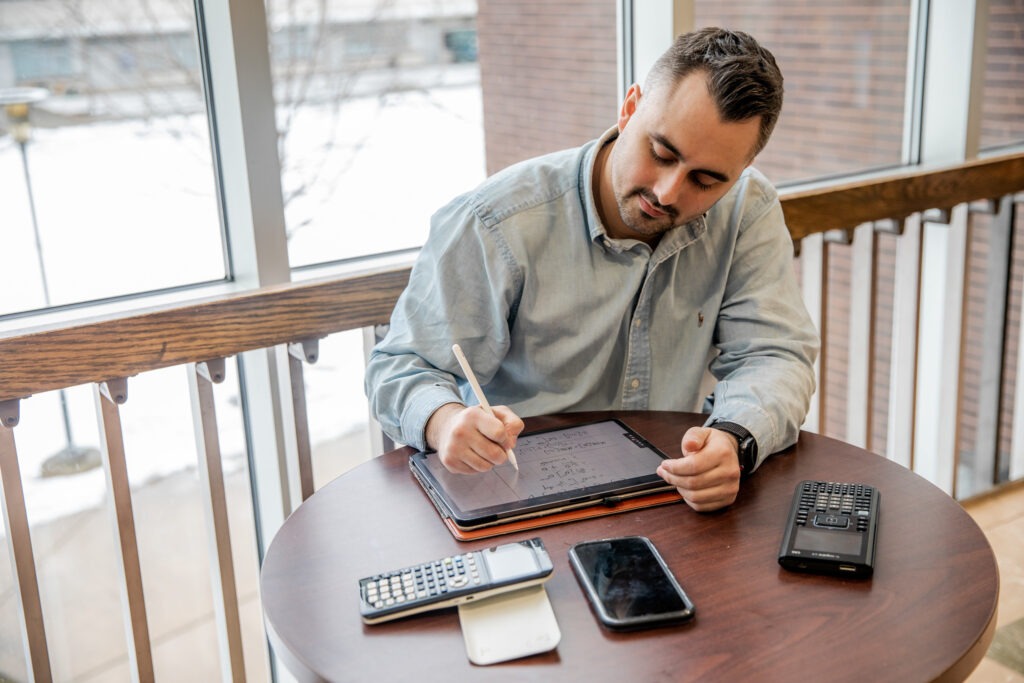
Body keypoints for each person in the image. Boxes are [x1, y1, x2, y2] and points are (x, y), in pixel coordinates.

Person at [365, 27, 819, 512]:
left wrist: (734, 437)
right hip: (521, 497)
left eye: (706, 181)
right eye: (661, 153)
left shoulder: (747, 208)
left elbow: (774, 354)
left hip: (666, 494)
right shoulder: (496, 221)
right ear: (630, 108)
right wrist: (444, 420)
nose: (667, 192)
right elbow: (401, 366)